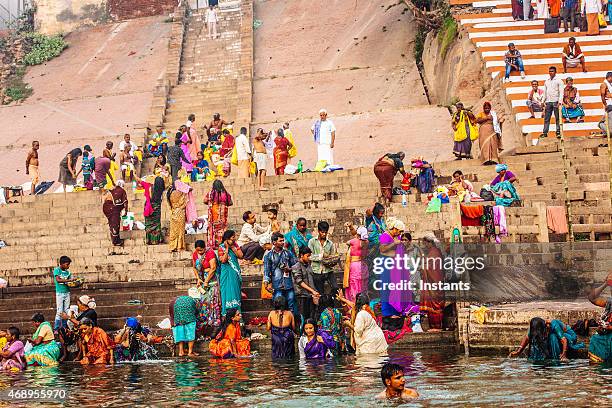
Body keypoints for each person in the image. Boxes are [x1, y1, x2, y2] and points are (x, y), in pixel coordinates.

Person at [509, 317, 584, 360]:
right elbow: (527, 338)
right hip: (560, 338)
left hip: (569, 336)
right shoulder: (535, 328)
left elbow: (564, 340)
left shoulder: (553, 324)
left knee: (552, 337)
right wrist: (518, 352)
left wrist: (564, 354)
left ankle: (555, 357)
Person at [264, 232, 299, 315]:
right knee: (278, 305)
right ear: (274, 242)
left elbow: (296, 265)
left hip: (288, 284)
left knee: (291, 302)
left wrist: (289, 269)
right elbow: (266, 271)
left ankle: (292, 323)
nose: (283, 242)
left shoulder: (288, 253)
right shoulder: (268, 256)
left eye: (283, 240)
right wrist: (266, 284)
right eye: (280, 241)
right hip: (277, 285)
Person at [192, 240, 222, 332]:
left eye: (201, 250)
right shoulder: (195, 254)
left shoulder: (210, 253)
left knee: (213, 299)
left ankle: (215, 320)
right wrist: (198, 279)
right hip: (202, 279)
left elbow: (213, 268)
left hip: (212, 279)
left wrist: (206, 281)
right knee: (204, 300)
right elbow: (194, 267)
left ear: (204, 248)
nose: (199, 252)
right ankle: (206, 320)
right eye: (198, 250)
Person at [420, 233, 445, 331]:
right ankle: (434, 326)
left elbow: (433, 269)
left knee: (435, 305)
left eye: (425, 243)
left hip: (434, 283)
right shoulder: (434, 252)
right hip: (433, 282)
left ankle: (437, 327)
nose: (425, 245)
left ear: (430, 242)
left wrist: (424, 267)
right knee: (433, 305)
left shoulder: (434, 253)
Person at [291, 246, 320, 329]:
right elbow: (299, 282)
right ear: (301, 255)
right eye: (307, 256)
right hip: (302, 296)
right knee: (303, 318)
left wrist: (314, 291)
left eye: (310, 256)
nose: (309, 258)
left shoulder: (309, 265)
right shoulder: (296, 266)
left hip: (310, 295)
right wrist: (312, 291)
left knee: (312, 317)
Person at [587, 272, 612, 364]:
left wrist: (610, 327)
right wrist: (605, 284)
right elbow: (592, 298)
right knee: (595, 338)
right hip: (606, 335)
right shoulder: (610, 302)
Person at [217, 230, 244, 315]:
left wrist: (233, 248)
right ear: (227, 239)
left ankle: (238, 314)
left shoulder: (235, 245)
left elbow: (241, 256)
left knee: (235, 291)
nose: (234, 239)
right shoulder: (221, 247)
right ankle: (226, 315)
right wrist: (227, 249)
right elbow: (223, 260)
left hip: (234, 272)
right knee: (226, 291)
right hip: (226, 273)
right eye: (233, 237)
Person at [308, 221, 339, 295]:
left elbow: (332, 255)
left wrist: (332, 261)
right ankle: (322, 305)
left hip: (328, 270)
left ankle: (330, 302)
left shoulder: (330, 243)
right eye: (322, 232)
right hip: (317, 271)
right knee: (320, 293)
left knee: (335, 288)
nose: (324, 234)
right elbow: (309, 256)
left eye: (325, 232)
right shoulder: (312, 242)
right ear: (318, 231)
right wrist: (321, 256)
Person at [343, 226, 369, 302]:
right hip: (363, 265)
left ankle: (353, 305)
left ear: (358, 234)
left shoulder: (354, 241)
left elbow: (347, 243)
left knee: (354, 286)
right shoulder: (367, 242)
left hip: (355, 266)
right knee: (363, 286)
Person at [205, 180, 233, 249]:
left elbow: (205, 201)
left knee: (213, 230)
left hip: (213, 216)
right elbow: (230, 203)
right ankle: (222, 244)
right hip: (222, 217)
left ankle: (214, 245)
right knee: (222, 230)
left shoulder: (210, 193)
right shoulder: (226, 194)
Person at [53, 255, 77, 330]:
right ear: (62, 264)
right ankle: (56, 328)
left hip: (67, 292)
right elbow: (58, 280)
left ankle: (64, 326)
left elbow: (71, 282)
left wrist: (75, 282)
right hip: (60, 293)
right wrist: (69, 280)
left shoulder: (68, 272)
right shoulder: (57, 270)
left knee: (66, 310)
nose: (68, 266)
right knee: (59, 310)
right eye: (67, 264)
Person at [140, 176, 165, 245]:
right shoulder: (161, 191)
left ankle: (149, 240)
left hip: (149, 208)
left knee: (149, 224)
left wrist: (134, 174)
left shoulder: (151, 188)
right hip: (157, 209)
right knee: (156, 224)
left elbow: (140, 181)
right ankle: (156, 240)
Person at [541, 66, 565, 138]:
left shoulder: (559, 81)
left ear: (555, 72)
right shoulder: (547, 81)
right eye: (550, 71)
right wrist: (543, 101)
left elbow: (561, 92)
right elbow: (545, 92)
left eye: (552, 71)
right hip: (548, 102)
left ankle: (558, 132)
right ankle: (545, 132)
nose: (550, 72)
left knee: (557, 118)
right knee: (546, 118)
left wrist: (560, 102)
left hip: (556, 102)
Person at [102, 181, 128, 246]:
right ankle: (116, 241)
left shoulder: (112, 190)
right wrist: (126, 211)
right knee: (115, 224)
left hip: (106, 207)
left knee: (112, 223)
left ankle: (115, 239)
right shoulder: (122, 191)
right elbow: (125, 202)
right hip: (112, 208)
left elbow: (103, 199)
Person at [166, 182, 187, 252]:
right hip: (180, 213)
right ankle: (179, 247)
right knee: (180, 231)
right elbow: (184, 203)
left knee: (174, 231)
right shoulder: (181, 193)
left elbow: (169, 204)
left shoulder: (169, 193)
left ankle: (172, 246)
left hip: (173, 213)